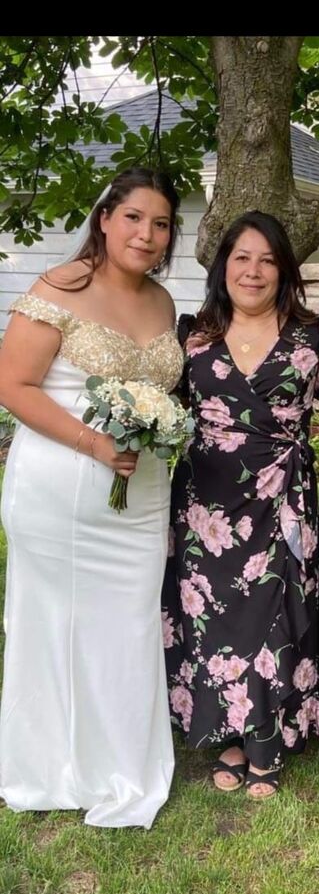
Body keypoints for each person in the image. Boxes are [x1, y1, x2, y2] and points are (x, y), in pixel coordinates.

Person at [0, 167, 184, 828]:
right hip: (61, 485)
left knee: (127, 625)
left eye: (161, 224)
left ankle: (121, 764)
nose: (146, 233)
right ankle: (48, 764)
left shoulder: (163, 302)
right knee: (54, 623)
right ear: (104, 219)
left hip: (143, 493)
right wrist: (94, 444)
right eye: (133, 217)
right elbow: (12, 385)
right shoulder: (59, 288)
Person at [161, 210, 319, 798]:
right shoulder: (193, 336)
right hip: (205, 505)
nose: (254, 270)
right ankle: (231, 732)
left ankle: (268, 738)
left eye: (268, 260)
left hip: (281, 499)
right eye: (242, 257)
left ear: (285, 270)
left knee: (277, 609)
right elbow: (161, 406)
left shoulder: (316, 337)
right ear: (223, 267)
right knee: (215, 614)